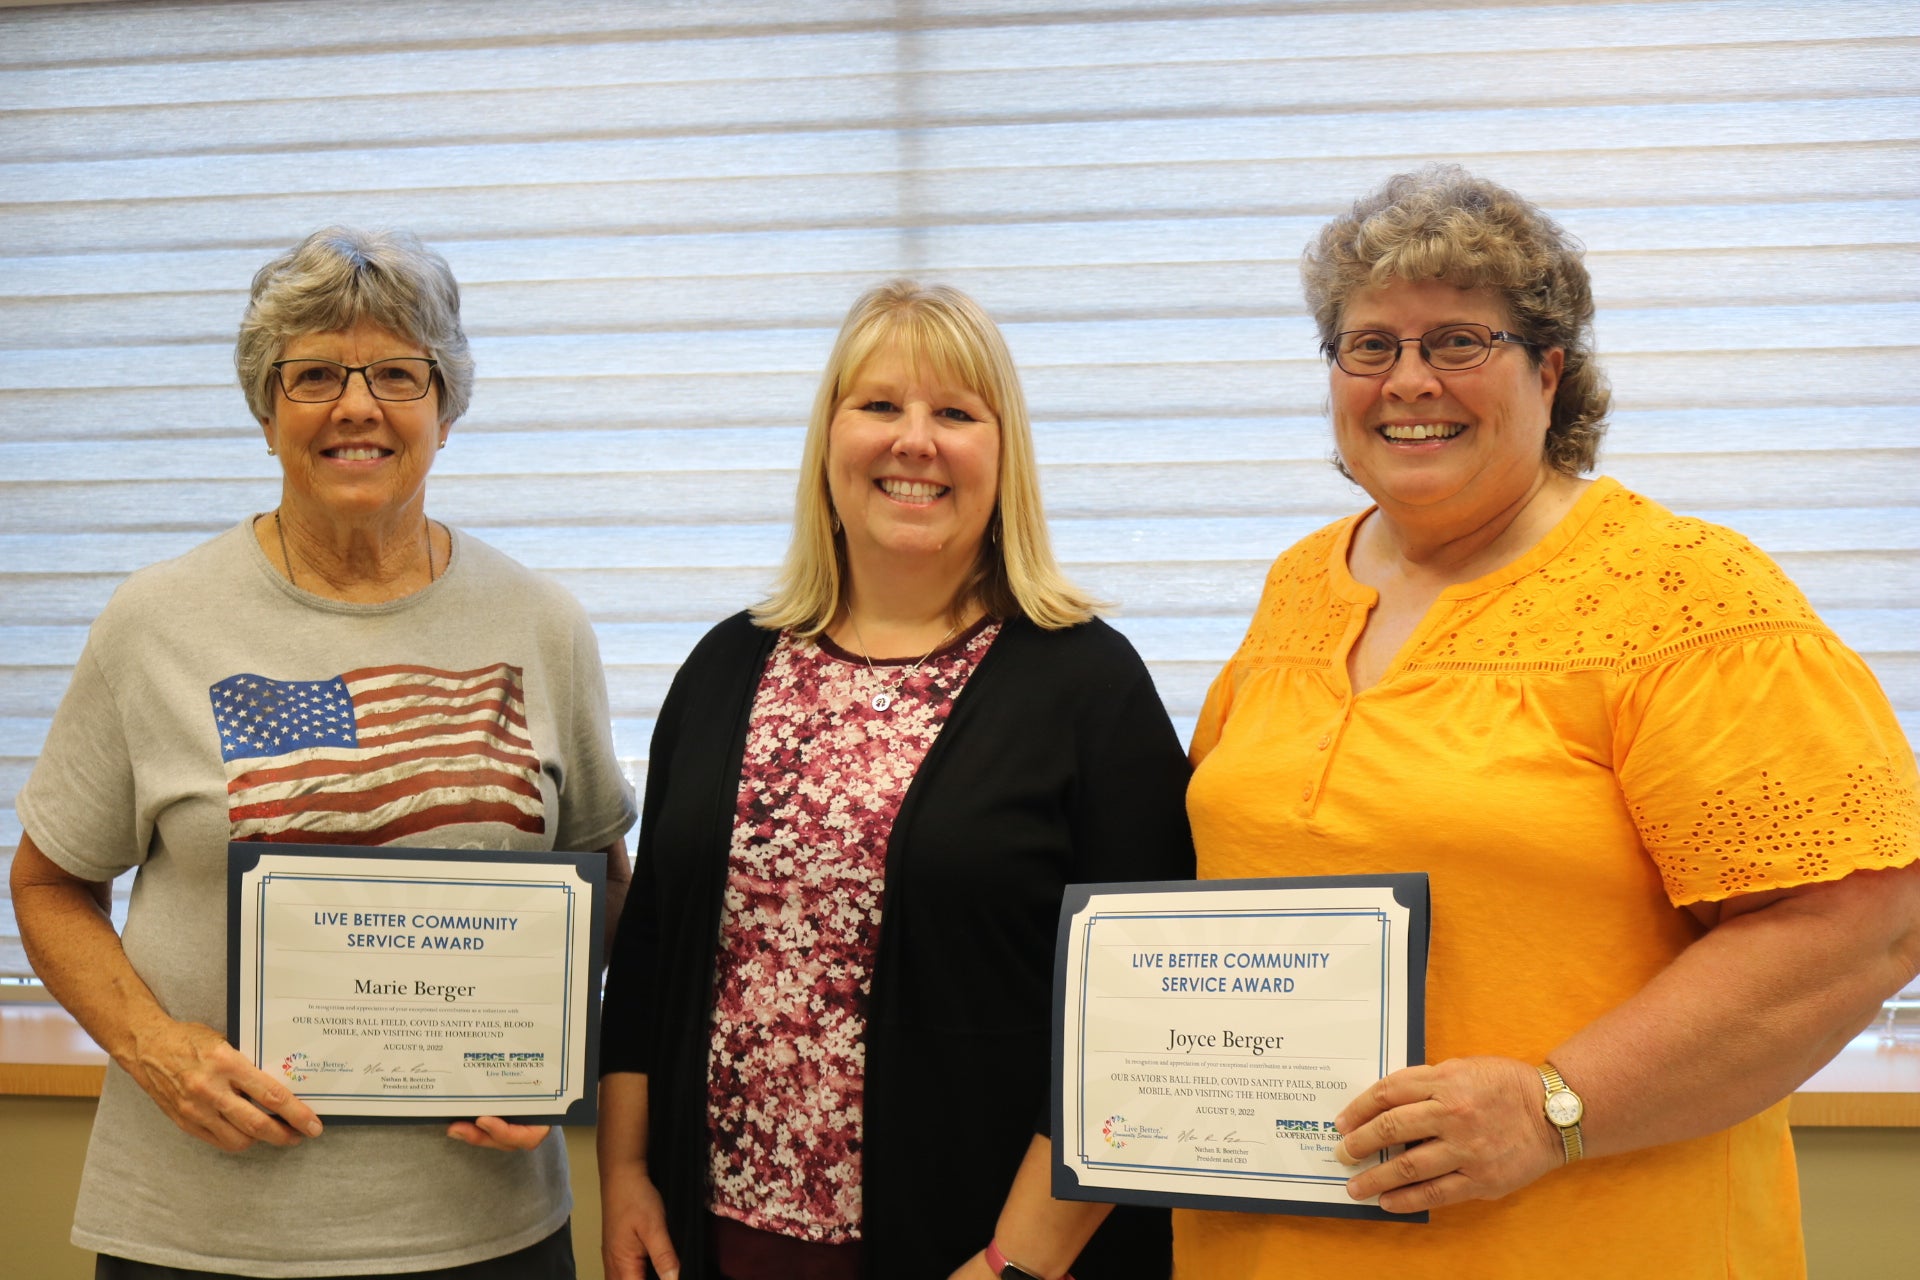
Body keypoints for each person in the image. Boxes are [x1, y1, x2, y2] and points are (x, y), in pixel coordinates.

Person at [1177, 167, 1920, 1278]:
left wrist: (1550, 1107)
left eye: (1459, 341)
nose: (1407, 380)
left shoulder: (1686, 593)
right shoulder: (1300, 583)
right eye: (1368, 344)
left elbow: (1866, 925)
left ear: (1551, 369)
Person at [9, 227, 636, 1278]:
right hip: (200, 1230)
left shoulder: (543, 623)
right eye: (315, 376)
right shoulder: (154, 619)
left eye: (397, 371)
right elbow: (48, 883)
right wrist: (155, 1049)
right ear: (267, 413)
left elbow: (602, 881)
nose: (358, 405)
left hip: (483, 1231)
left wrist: (553, 1045)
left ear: (445, 406)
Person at [597, 280, 1195, 1280]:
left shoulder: (1088, 684)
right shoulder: (722, 667)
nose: (914, 440)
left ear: (1003, 456)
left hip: (982, 1248)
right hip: (718, 1240)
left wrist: (1016, 1260)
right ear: (830, 437)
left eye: (955, 413)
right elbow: (655, 936)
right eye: (879, 405)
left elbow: (1146, 1012)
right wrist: (621, 1168)